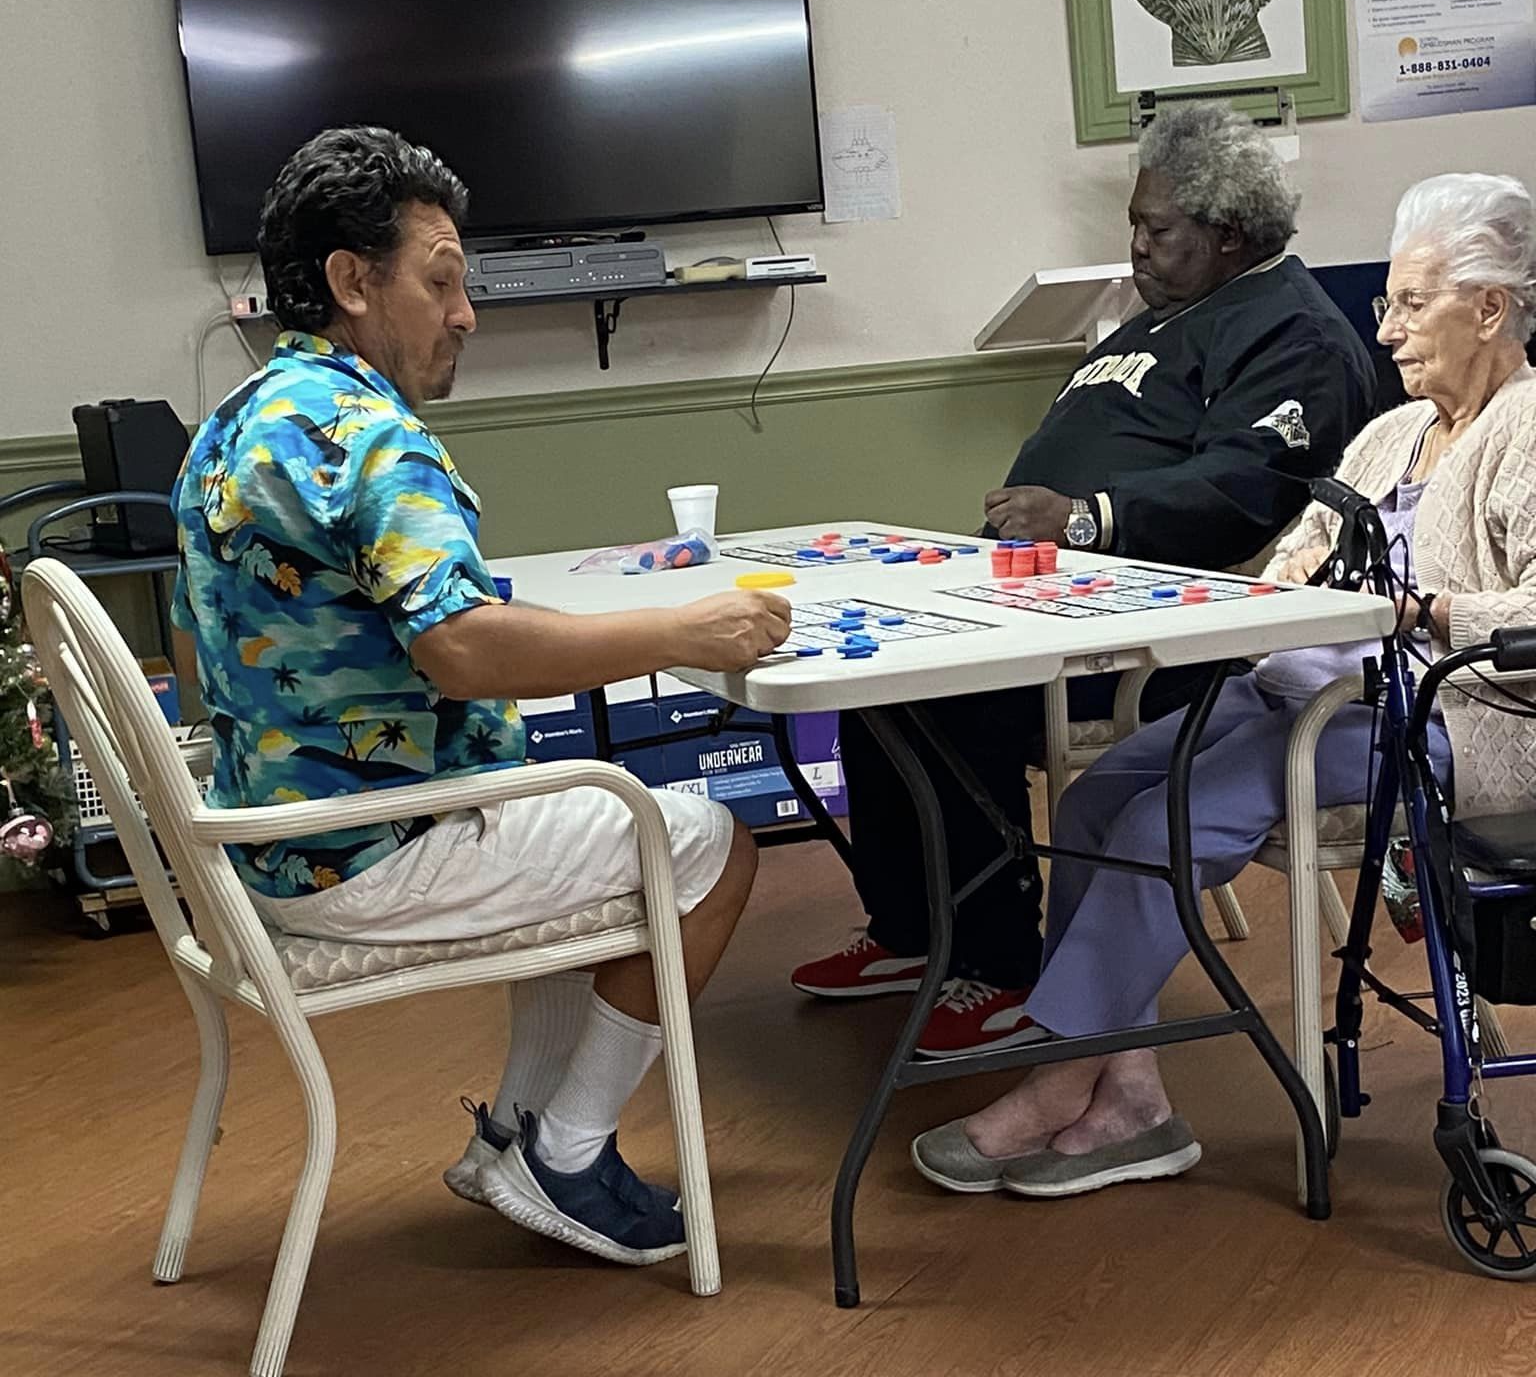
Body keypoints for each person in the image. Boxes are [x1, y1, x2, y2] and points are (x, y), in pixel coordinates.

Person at [172, 126, 790, 1267]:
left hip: (269, 842)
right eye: (442, 280)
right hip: (366, 854)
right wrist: (684, 628)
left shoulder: (231, 424)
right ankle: (567, 1149)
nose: (465, 314)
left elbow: (189, 639)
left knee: (578, 823)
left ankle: (513, 1135)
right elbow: (464, 647)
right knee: (706, 846)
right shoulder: (370, 439)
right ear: (356, 282)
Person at [910, 171, 1536, 1199]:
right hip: (1315, 688)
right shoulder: (1390, 435)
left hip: (1448, 713)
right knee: (1098, 793)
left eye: (1411, 302)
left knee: (1174, 813)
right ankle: (1134, 1097)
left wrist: (1421, 613)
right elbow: (1301, 552)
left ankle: (1062, 1081)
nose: (1385, 331)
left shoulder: (1528, 427)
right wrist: (1275, 587)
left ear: (1491, 305)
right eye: (1385, 302)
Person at [792, 100, 1378, 1057]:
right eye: (1134, 224)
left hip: (1174, 639)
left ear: (1228, 237)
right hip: (1043, 597)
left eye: (1158, 231)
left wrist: (1086, 518)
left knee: (950, 705)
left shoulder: (1296, 336)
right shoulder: (1169, 317)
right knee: (878, 685)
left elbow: (1248, 487)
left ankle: (1002, 969)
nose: (1136, 247)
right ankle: (911, 935)